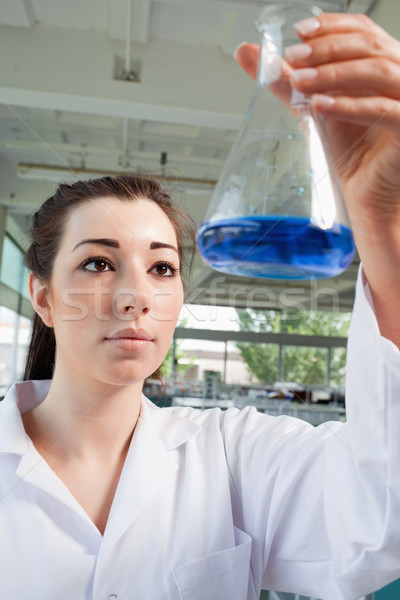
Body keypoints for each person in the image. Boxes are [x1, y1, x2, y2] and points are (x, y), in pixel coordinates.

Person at [1, 12, 400, 600]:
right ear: (43, 298)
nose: (137, 295)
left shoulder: (236, 456)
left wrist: (381, 223)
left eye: (162, 268)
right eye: (98, 262)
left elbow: (377, 519)